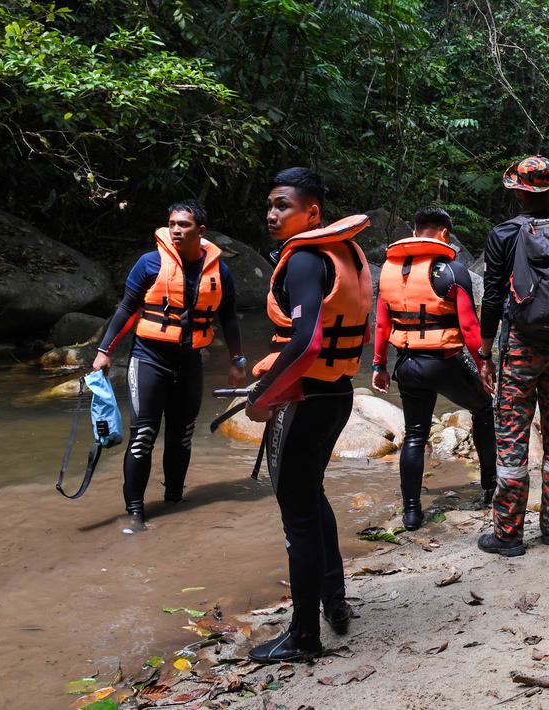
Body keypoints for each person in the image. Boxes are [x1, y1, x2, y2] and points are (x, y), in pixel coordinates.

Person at [243, 168, 373, 662]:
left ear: (312, 212)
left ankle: (302, 636)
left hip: (305, 399)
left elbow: (307, 340)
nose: (271, 214)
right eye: (269, 205)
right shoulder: (341, 254)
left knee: (297, 516)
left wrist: (263, 398)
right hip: (334, 394)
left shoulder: (302, 261)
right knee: (311, 498)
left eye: (282, 205)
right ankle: (333, 602)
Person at [92, 200, 246, 534]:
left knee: (182, 436)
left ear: (200, 231)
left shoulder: (220, 272)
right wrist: (104, 351)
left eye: (184, 225)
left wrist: (237, 359)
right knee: (143, 436)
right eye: (172, 223)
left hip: (189, 361)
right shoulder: (149, 264)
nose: (176, 229)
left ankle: (175, 501)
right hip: (149, 358)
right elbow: (125, 309)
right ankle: (135, 512)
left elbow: (229, 318)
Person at [476, 155, 549, 557]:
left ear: (515, 189)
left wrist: (484, 350)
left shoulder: (503, 235)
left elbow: (492, 297)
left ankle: (508, 534)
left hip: (519, 350)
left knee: (512, 440)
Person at [371, 206, 496, 530]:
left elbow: (382, 324)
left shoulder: (390, 270)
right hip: (444, 362)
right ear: (444, 234)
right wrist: (484, 362)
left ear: (415, 232)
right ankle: (490, 487)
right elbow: (469, 326)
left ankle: (412, 512)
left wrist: (379, 365)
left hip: (408, 364)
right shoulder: (453, 270)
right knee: (483, 408)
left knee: (415, 435)